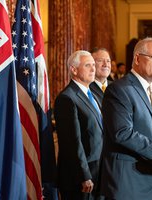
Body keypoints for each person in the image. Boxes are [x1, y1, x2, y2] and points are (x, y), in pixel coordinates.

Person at [100, 37, 152, 200]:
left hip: (151, 179)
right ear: (137, 58)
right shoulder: (119, 90)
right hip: (127, 181)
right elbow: (122, 133)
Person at [54, 50, 103, 200]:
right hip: (81, 176)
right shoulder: (67, 98)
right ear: (73, 70)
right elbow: (72, 142)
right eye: (88, 65)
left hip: (99, 169)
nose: (93, 69)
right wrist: (84, 175)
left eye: (94, 65)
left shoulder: (93, 94)